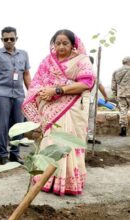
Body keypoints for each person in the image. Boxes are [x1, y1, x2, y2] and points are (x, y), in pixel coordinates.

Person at [22, 29, 95, 196]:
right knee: (51, 141)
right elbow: (37, 84)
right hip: (50, 109)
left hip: (72, 109)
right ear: (53, 44)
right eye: (58, 43)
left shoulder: (81, 60)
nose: (61, 46)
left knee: (66, 142)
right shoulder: (47, 61)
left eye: (65, 43)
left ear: (73, 44)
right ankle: (46, 178)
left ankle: (67, 181)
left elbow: (86, 83)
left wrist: (57, 90)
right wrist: (43, 94)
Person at [0, 26, 31, 165]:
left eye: (12, 38)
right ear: (2, 39)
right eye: (6, 39)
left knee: (19, 125)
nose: (9, 41)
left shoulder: (24, 54)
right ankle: (3, 155)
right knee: (3, 125)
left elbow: (27, 75)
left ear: (16, 38)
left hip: (19, 95)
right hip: (2, 94)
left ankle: (15, 154)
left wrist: (32, 94)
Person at [87, 56, 109, 144]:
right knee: (91, 119)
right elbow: (100, 86)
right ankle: (90, 138)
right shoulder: (94, 72)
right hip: (91, 100)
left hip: (80, 100)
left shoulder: (79, 71)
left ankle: (80, 137)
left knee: (81, 119)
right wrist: (105, 97)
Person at [111, 56, 130, 136]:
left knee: (123, 111)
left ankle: (123, 129)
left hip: (121, 94)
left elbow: (113, 85)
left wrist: (115, 93)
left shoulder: (116, 71)